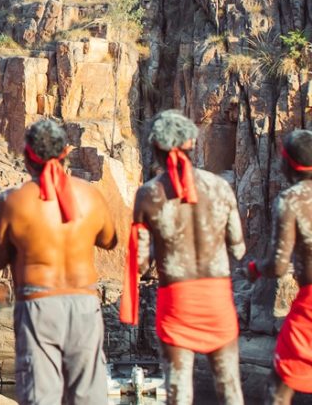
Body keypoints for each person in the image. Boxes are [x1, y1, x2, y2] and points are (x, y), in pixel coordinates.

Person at [121, 110, 245, 405]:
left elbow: (139, 264)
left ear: (156, 148)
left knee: (179, 393)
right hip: (217, 298)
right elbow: (238, 248)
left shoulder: (148, 195)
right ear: (191, 143)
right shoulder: (220, 187)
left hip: (177, 301)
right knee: (230, 389)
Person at [0, 118, 117, 405]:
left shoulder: (13, 201)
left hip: (39, 305)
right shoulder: (91, 196)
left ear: (26, 155)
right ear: (65, 152)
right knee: (89, 396)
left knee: (41, 396)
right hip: (84, 304)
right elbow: (110, 240)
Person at [247, 129, 312, 404]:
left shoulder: (291, 200)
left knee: (279, 384)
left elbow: (277, 264)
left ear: (288, 163)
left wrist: (254, 268)